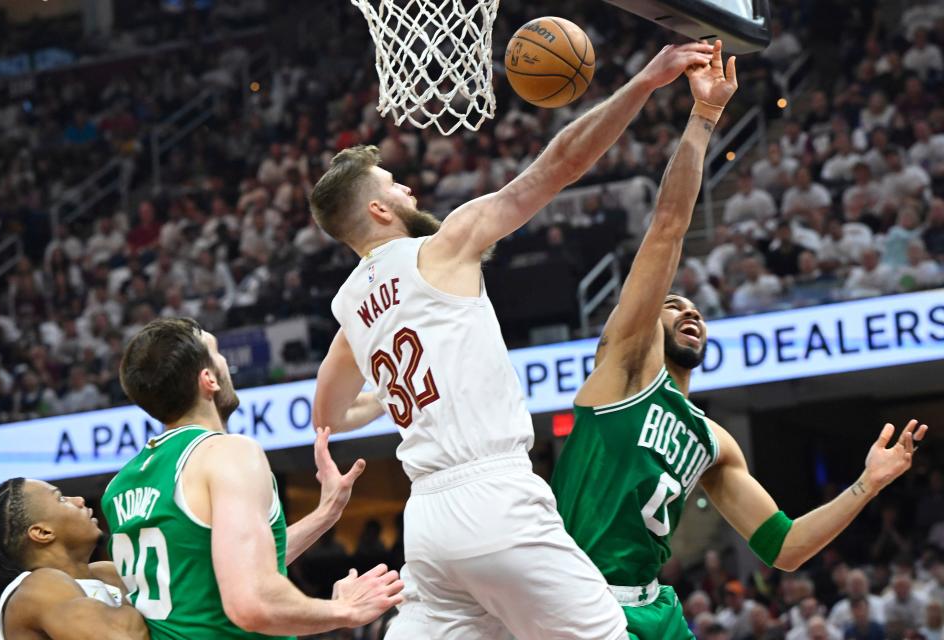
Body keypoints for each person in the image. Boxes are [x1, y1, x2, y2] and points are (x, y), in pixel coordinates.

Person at [309, 40, 719, 640]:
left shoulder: (351, 311)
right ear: (376, 209)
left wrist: (384, 396)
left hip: (426, 520)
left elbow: (327, 414)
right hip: (493, 497)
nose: (409, 192)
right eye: (396, 186)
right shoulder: (442, 245)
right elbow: (559, 166)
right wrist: (644, 83)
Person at [549, 48, 928, 640]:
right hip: (582, 602)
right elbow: (670, 227)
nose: (689, 309)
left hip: (655, 606)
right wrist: (703, 118)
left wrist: (868, 483)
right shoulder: (620, 372)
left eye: (696, 308)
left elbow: (785, 548)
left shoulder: (712, 440)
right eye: (675, 305)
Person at [103, 318, 403, 639]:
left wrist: (325, 514)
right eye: (218, 354)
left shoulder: (119, 485)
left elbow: (219, 569)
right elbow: (251, 602)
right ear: (209, 379)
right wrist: (343, 609)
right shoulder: (227, 453)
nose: (226, 365)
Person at [0, 478, 149, 639]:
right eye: (61, 499)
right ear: (43, 533)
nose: (79, 500)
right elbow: (124, 636)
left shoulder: (106, 573)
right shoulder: (39, 587)